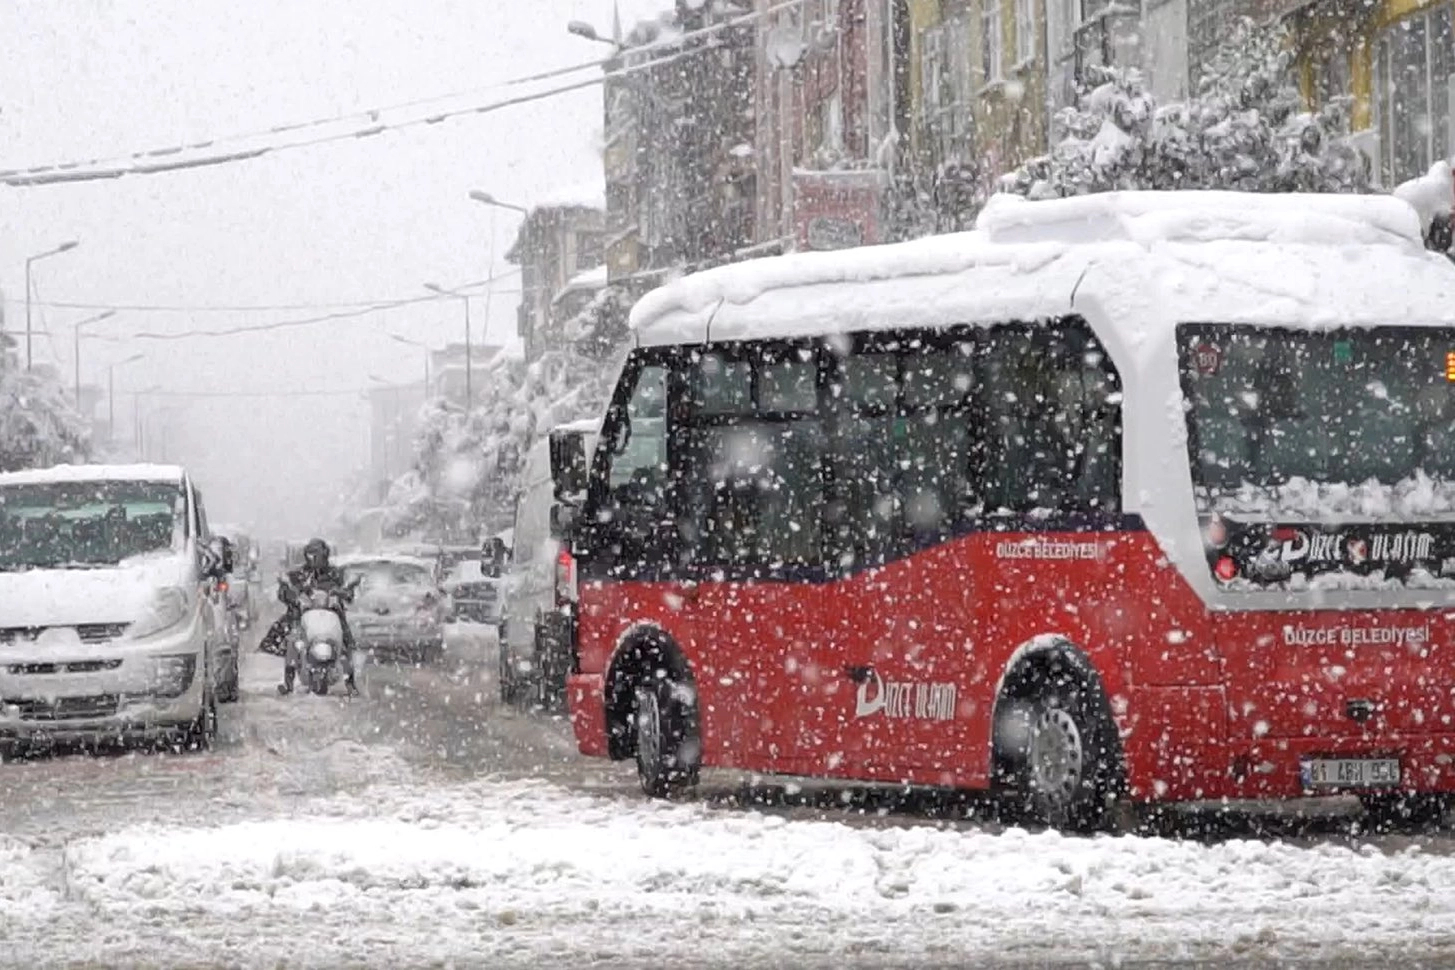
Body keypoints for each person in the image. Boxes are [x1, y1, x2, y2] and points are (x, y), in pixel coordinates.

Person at [260, 538, 358, 695]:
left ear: (325, 555)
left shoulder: (336, 574)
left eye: (317, 554)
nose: (313, 558)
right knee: (293, 640)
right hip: (303, 616)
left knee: (345, 644)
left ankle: (350, 683)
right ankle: (288, 682)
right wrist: (292, 595)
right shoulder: (297, 575)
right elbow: (284, 593)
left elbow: (348, 593)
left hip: (332, 615)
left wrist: (343, 592)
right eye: (310, 554)